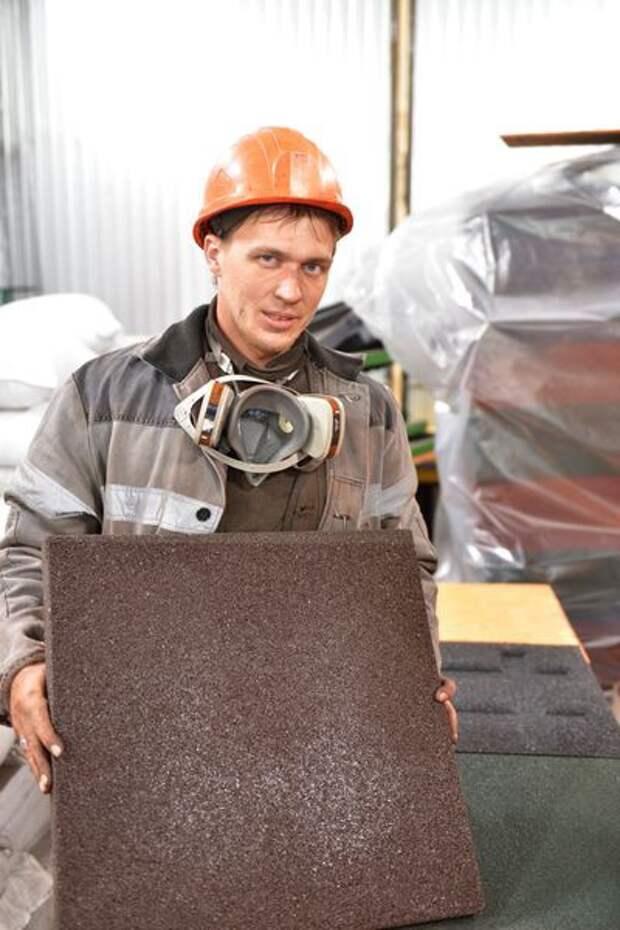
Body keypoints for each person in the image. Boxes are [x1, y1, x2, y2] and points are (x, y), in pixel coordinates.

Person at [0, 127, 457, 795]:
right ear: (213, 251)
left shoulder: (369, 414)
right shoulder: (105, 399)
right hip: (145, 729)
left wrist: (414, 674)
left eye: (314, 267)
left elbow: (404, 567)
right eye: (268, 258)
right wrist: (24, 662)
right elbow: (30, 549)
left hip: (308, 727)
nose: (292, 291)